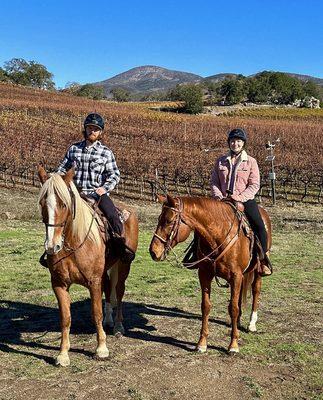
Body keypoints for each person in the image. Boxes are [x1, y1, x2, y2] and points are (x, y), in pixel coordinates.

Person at [57, 112, 132, 260]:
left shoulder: (106, 153)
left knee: (113, 217)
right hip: (74, 193)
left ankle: (119, 249)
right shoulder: (74, 149)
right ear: (85, 129)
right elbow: (62, 169)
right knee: (55, 216)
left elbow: (114, 174)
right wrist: (57, 180)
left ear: (100, 132)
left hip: (96, 194)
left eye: (96, 129)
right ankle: (51, 251)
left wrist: (104, 188)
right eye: (90, 128)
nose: (92, 131)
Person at [210, 128, 272, 276]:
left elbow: (254, 185)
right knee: (203, 224)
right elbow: (214, 183)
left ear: (243, 143)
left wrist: (239, 198)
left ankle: (263, 260)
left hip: (244, 200)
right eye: (232, 141)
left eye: (238, 141)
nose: (235, 144)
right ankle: (197, 256)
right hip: (222, 201)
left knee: (259, 225)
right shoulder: (220, 161)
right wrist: (219, 198)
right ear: (229, 143)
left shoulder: (251, 162)